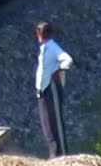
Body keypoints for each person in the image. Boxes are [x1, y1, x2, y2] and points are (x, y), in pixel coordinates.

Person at [35, 20, 74, 159]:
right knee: (47, 123)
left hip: (52, 88)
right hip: (43, 90)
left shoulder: (53, 47)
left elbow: (68, 60)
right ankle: (53, 153)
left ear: (46, 33)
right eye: (39, 32)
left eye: (42, 32)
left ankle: (63, 153)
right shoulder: (43, 48)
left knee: (55, 120)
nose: (40, 35)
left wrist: (57, 70)